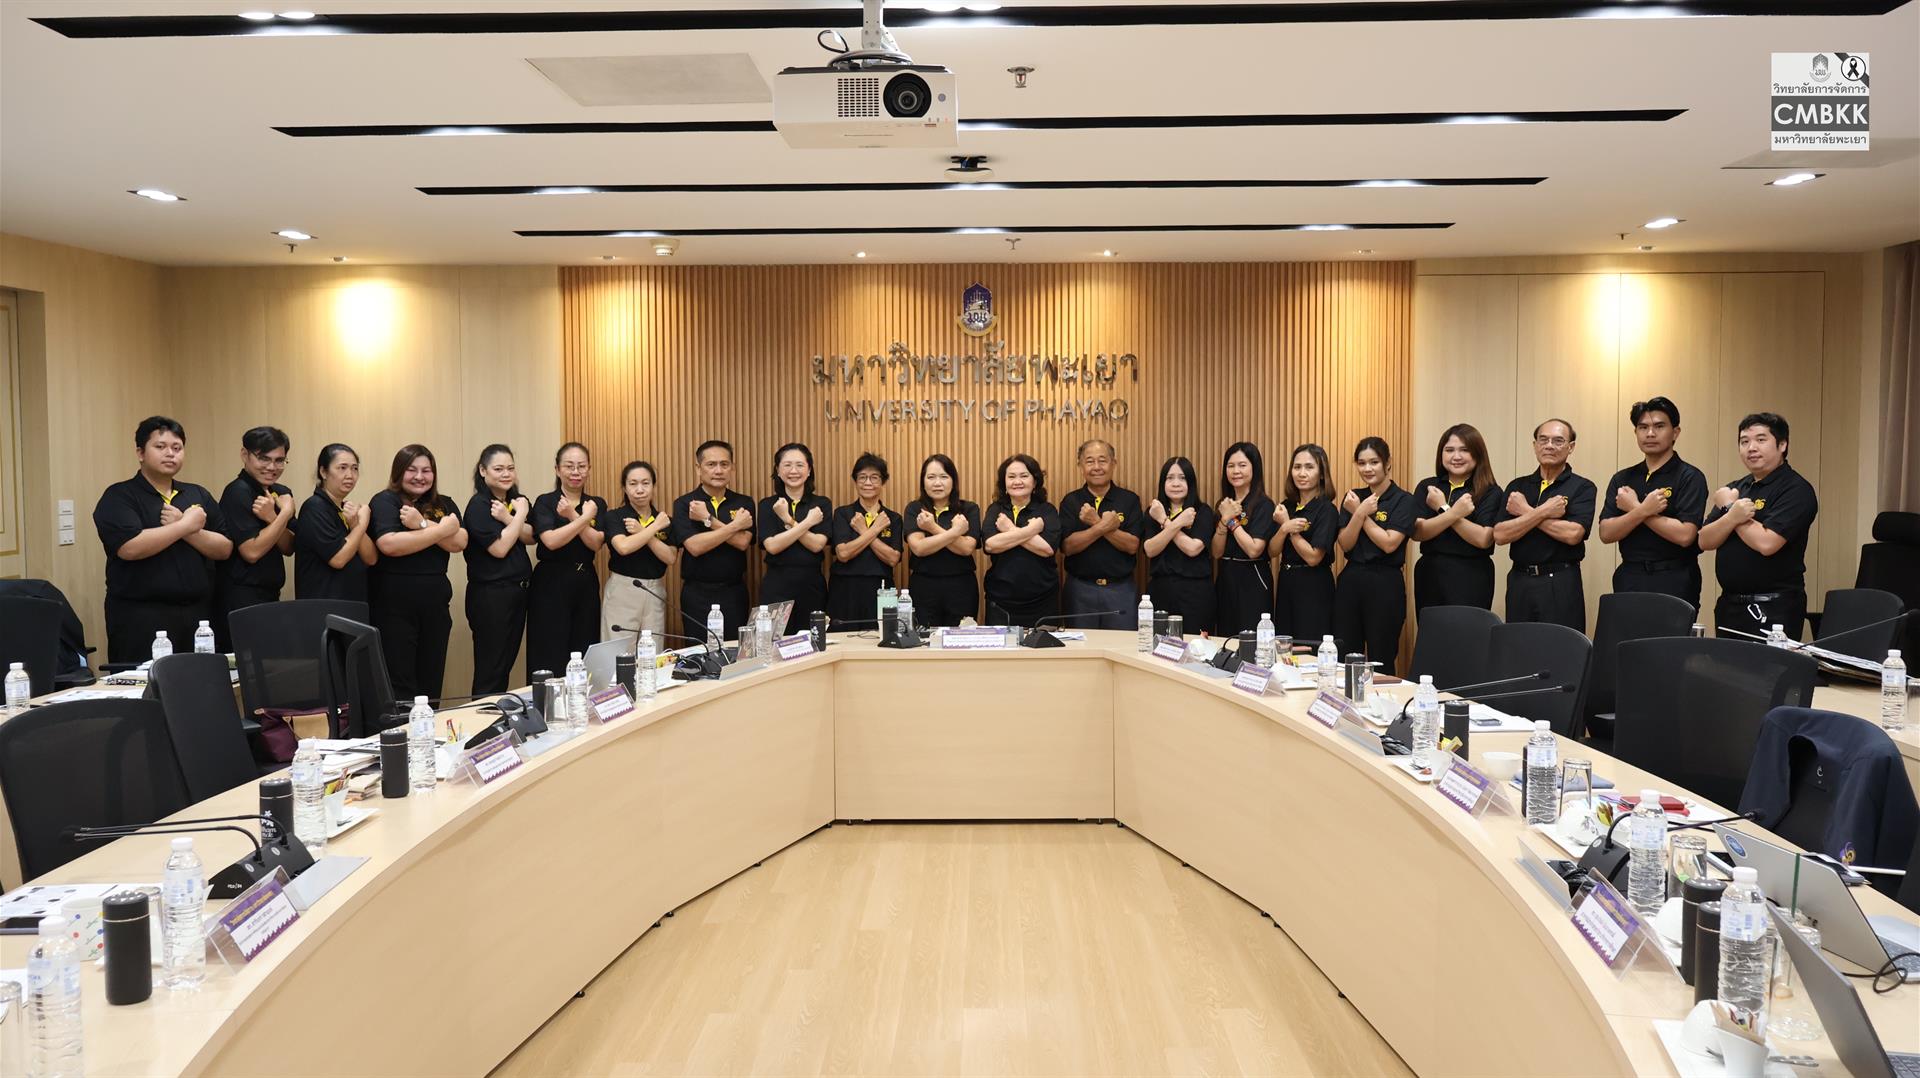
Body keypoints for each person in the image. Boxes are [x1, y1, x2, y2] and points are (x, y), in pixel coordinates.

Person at [92, 416, 232, 664]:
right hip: (140, 616)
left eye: (177, 448)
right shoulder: (120, 495)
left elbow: (224, 548)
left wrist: (190, 531)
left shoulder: (197, 493)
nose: (170, 454)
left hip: (197, 615)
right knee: (144, 685)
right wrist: (185, 525)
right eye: (160, 446)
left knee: (197, 681)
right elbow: (130, 547)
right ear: (140, 453)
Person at [1701, 412, 1818, 640]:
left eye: (1761, 440)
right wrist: (1732, 514)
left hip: (1774, 607)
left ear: (1782, 445)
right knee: (1725, 663)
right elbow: (1705, 540)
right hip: (1729, 605)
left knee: (1766, 664)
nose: (1751, 448)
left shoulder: (1796, 489)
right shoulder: (1736, 488)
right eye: (1744, 441)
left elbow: (1767, 543)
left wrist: (1729, 509)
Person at [368, 445, 466, 704]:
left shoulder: (444, 503)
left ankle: (428, 726)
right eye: (412, 470)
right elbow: (389, 544)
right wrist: (441, 530)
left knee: (431, 678)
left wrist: (421, 524)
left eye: (426, 470)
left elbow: (460, 542)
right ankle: (402, 729)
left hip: (435, 606)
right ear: (399, 472)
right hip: (394, 606)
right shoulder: (385, 501)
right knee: (399, 682)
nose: (420, 476)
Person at [1598, 397, 1707, 610]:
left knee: (1670, 634)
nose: (1650, 433)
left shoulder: (1690, 476)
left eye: (1659, 426)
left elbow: (1685, 535)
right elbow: (1606, 533)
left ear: (1675, 432)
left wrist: (1634, 508)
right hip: (1630, 575)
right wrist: (1643, 510)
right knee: (1627, 632)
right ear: (1636, 432)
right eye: (1643, 427)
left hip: (1675, 577)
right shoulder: (1623, 478)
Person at [1493, 419, 1598, 631]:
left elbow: (1573, 534)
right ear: (1535, 445)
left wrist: (1525, 510)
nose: (1549, 446)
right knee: (1518, 644)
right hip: (1520, 579)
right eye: (1543, 440)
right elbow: (1501, 535)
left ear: (1571, 447)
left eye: (1558, 441)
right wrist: (1544, 511)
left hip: (1561, 580)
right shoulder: (1518, 486)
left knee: (1561, 645)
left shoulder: (1582, 487)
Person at [1334, 437, 1418, 671]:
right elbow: (1345, 544)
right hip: (1351, 579)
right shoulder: (1353, 498)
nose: (1367, 469)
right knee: (1346, 656)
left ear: (1387, 463)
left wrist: (1361, 514)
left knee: (1381, 656)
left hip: (1385, 582)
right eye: (1361, 463)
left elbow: (1389, 543)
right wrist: (1359, 511)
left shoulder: (1404, 500)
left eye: (1374, 462)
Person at [528, 442, 608, 676]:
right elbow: (551, 541)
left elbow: (595, 543)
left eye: (581, 466)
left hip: (585, 579)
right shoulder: (545, 501)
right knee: (549, 648)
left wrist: (573, 515)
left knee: (584, 646)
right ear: (557, 469)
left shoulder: (595, 504)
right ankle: (547, 698)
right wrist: (584, 518)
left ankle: (580, 696)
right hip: (551, 580)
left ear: (589, 469)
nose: (576, 472)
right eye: (569, 466)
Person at [215, 425, 295, 652]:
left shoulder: (281, 492)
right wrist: (284, 515)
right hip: (241, 597)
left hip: (270, 594)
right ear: (245, 455)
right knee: (246, 666)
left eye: (279, 460)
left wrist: (272, 518)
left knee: (269, 664)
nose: (272, 467)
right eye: (263, 458)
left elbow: (289, 546)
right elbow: (251, 551)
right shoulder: (237, 491)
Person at [462, 444, 533, 694]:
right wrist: (519, 516)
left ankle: (497, 713)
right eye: (499, 469)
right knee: (490, 669)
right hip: (491, 595)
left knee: (504, 665)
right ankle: (482, 715)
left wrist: (510, 517)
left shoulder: (516, 501)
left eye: (510, 468)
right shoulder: (479, 505)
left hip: (518, 592)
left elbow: (531, 536)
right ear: (483, 471)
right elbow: (500, 548)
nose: (506, 474)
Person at [670, 440, 755, 641]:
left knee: (735, 650)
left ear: (732, 468)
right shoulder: (685, 504)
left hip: (733, 591)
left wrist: (707, 520)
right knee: (700, 650)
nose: (718, 470)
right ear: (698, 468)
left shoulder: (743, 502)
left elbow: (742, 543)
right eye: (711, 464)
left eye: (724, 464)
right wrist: (734, 525)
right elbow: (695, 546)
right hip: (697, 593)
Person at [1410, 424, 1501, 613]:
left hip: (1472, 574)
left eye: (1464, 450)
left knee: (1468, 630)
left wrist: (1443, 508)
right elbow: (1417, 532)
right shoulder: (1428, 487)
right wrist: (1454, 513)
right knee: (1432, 629)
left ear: (1478, 453)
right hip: (1430, 573)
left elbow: (1483, 539)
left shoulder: (1490, 491)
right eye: (1449, 450)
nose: (1456, 456)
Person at [1057, 439, 1144, 630]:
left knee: (1123, 644)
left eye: (1102, 460)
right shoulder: (1071, 501)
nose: (1096, 467)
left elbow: (1132, 546)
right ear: (1080, 466)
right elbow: (1067, 547)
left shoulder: (1129, 500)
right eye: (1090, 461)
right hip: (1080, 590)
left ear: (1113, 463)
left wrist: (1094, 521)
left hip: (1121, 589)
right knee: (1080, 646)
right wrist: (1102, 525)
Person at [758, 443, 832, 634]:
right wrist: (808, 523)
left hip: (812, 585)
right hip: (777, 584)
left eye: (800, 465)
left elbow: (817, 545)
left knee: (813, 642)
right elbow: (772, 546)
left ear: (809, 470)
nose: (793, 471)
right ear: (778, 470)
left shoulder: (821, 504)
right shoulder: (767, 505)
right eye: (787, 465)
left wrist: (787, 520)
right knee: (774, 642)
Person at [981, 453, 1061, 627]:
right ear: (1004, 482)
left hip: (1042, 600)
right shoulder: (996, 510)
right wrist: (1031, 530)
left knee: (1043, 645)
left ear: (1035, 481)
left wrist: (1009, 529)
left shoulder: (1047, 510)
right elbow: (990, 545)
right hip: (1001, 601)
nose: (1017, 481)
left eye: (1024, 476)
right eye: (1011, 477)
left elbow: (1047, 549)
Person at [599, 461, 677, 640]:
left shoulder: (665, 521)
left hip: (655, 589)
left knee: (653, 647)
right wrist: (654, 527)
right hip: (623, 589)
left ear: (654, 486)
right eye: (633, 484)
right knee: (619, 648)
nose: (640, 490)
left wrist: (643, 531)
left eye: (645, 483)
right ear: (624, 488)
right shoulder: (615, 516)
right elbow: (623, 547)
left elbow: (670, 557)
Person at [902, 453, 982, 628]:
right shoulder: (915, 509)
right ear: (923, 481)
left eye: (944, 477)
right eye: (931, 477)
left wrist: (932, 528)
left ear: (953, 481)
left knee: (961, 639)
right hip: (924, 586)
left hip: (961, 586)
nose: (937, 483)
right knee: (924, 638)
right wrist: (956, 532)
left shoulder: (969, 509)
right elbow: (919, 548)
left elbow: (967, 548)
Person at [1271, 444, 1338, 645]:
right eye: (1297, 467)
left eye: (1309, 467)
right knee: (1284, 644)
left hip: (1314, 584)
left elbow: (1313, 557)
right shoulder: (1287, 506)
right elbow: (1273, 551)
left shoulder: (1326, 509)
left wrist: (1289, 528)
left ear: (1321, 473)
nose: (1302, 473)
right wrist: (1284, 528)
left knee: (1310, 645)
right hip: (1287, 580)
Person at [293, 443, 377, 603]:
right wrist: (361, 524)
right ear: (323, 472)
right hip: (324, 607)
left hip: (352, 604)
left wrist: (355, 525)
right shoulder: (315, 507)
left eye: (355, 468)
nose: (350, 475)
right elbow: (338, 559)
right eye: (342, 468)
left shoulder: (346, 509)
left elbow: (371, 559)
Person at [830, 453, 906, 627]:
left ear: (883, 481)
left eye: (874, 477)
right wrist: (875, 530)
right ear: (855, 481)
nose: (868, 483)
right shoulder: (843, 513)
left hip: (881, 588)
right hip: (845, 588)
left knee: (880, 636)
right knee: (843, 636)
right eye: (862, 477)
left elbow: (893, 558)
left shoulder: (892, 518)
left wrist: (864, 530)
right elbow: (843, 553)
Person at [1143, 456, 1215, 632]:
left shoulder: (1202, 511)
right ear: (1163, 482)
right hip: (1160, 589)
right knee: (1158, 644)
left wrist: (1164, 521)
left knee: (1195, 644)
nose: (1176, 483)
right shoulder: (1154, 511)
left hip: (1195, 592)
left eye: (1182, 478)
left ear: (1190, 482)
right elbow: (1150, 549)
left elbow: (1192, 548)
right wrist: (1175, 522)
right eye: (1170, 478)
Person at [1212, 442, 1277, 637]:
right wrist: (1224, 519)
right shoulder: (1224, 504)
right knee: (1225, 637)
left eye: (1242, 465)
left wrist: (1231, 520)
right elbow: (1216, 552)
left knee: (1252, 639)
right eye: (1230, 466)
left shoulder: (1264, 504)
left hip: (1253, 578)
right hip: (1226, 577)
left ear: (1254, 468)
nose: (1236, 471)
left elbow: (1254, 549)